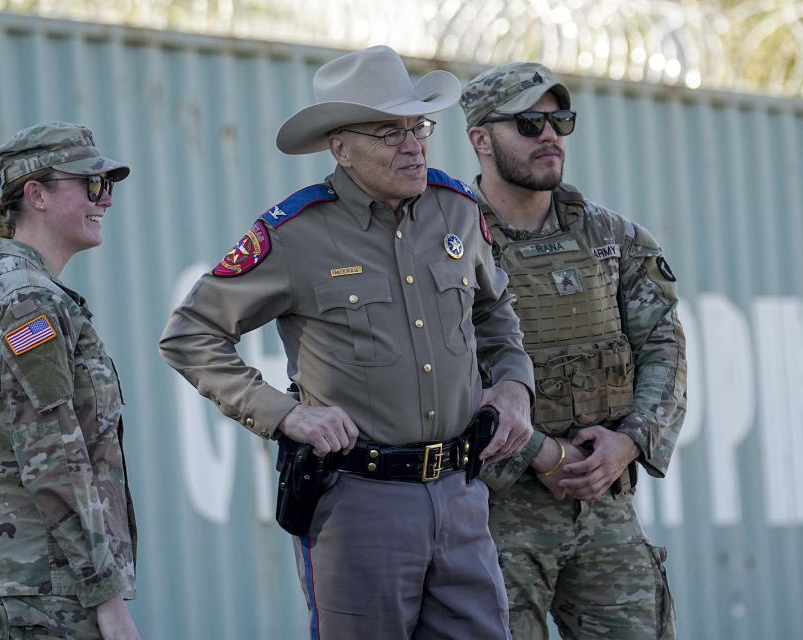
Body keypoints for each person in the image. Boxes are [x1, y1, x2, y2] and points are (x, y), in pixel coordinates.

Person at [159, 45, 535, 640]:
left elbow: (494, 312)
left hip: (463, 497)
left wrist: (514, 386)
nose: (413, 146)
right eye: (389, 132)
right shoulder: (295, 233)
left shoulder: (458, 211)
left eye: (420, 127)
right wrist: (286, 416)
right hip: (360, 504)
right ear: (340, 147)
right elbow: (190, 335)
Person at [459, 62, 687, 639]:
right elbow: (436, 374)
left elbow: (663, 345)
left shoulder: (615, 238)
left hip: (604, 499)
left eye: (560, 120)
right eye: (529, 123)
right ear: (480, 138)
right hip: (496, 511)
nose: (551, 136)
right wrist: (539, 453)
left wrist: (629, 441)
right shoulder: (450, 247)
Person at [0, 121, 140, 640]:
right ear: (35, 193)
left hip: (46, 577)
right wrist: (107, 597)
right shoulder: (25, 299)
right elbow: (51, 454)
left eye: (108, 186)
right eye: (92, 185)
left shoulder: (29, 291)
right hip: (46, 583)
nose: (105, 200)